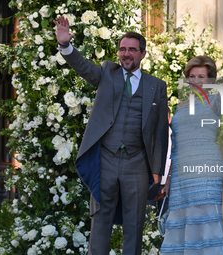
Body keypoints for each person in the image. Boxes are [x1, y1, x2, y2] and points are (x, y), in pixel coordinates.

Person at [54, 16, 168, 255]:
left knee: (135, 223)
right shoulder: (107, 72)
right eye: (122, 49)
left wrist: (156, 171)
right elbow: (84, 67)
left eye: (132, 50)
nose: (126, 54)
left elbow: (160, 131)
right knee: (101, 219)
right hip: (106, 159)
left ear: (143, 54)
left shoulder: (156, 85)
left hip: (137, 162)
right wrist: (65, 45)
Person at [160, 38, 223, 254]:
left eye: (202, 76)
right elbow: (175, 144)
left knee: (205, 223)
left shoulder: (214, 101)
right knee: (182, 222)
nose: (196, 80)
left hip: (206, 169)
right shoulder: (179, 107)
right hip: (180, 173)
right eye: (192, 76)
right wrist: (169, 177)